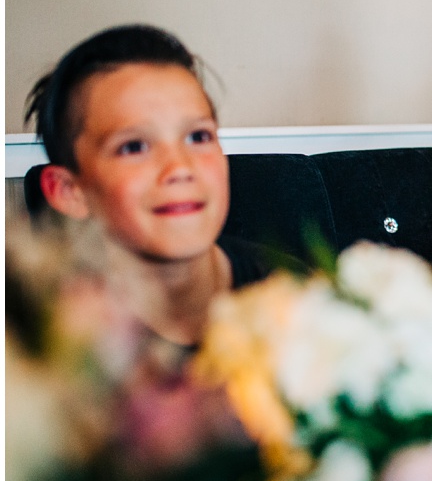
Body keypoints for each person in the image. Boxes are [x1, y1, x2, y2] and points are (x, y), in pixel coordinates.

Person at [24, 24, 275, 355]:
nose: (180, 168)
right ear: (69, 190)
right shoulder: (45, 347)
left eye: (198, 137)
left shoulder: (300, 304)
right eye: (134, 147)